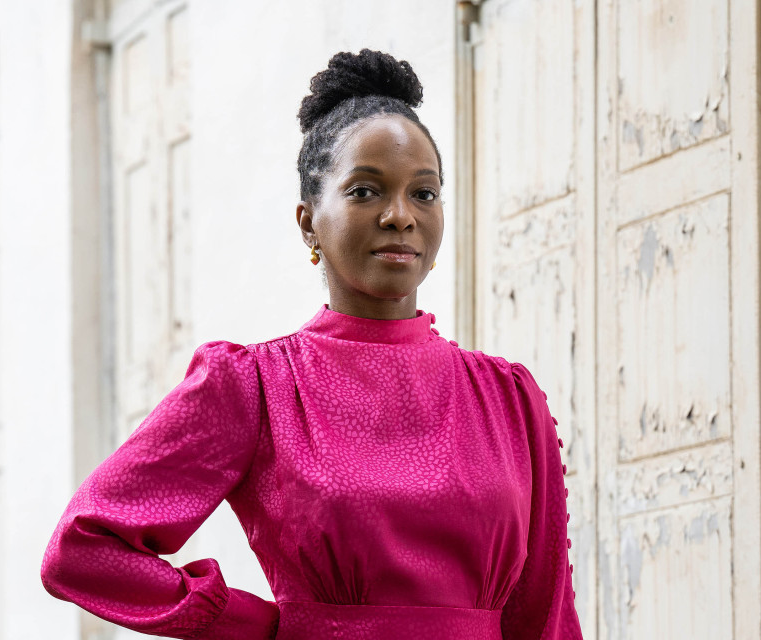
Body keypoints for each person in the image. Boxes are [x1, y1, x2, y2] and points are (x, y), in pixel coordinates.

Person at [40, 49, 583, 640]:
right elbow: (83, 549)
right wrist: (251, 624)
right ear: (308, 222)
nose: (400, 215)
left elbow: (545, 614)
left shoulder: (508, 398)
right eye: (364, 191)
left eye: (423, 194)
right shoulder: (252, 386)